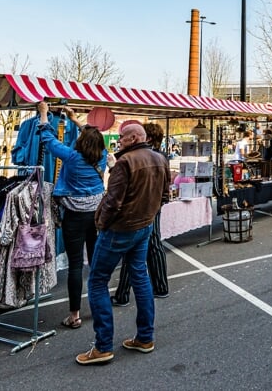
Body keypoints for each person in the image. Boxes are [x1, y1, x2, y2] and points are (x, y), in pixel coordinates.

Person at [78, 122, 170, 365]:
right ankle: (145, 337)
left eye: (120, 137)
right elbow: (165, 196)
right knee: (140, 277)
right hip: (143, 227)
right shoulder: (160, 159)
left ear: (131, 138)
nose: (118, 141)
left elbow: (113, 201)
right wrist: (148, 216)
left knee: (97, 281)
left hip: (120, 230)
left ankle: (103, 346)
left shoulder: (125, 163)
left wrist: (101, 223)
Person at [36, 101, 107, 330]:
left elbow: (48, 139)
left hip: (74, 216)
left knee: (76, 265)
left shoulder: (72, 157)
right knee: (96, 262)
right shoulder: (103, 156)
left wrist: (44, 114)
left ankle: (74, 315)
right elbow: (91, 136)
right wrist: (75, 118)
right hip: (96, 215)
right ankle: (98, 308)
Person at [113, 122, 171, 305]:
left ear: (149, 138)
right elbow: (165, 189)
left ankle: (123, 294)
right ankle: (160, 287)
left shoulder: (140, 158)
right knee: (152, 246)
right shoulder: (161, 157)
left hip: (141, 210)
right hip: (152, 208)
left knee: (137, 250)